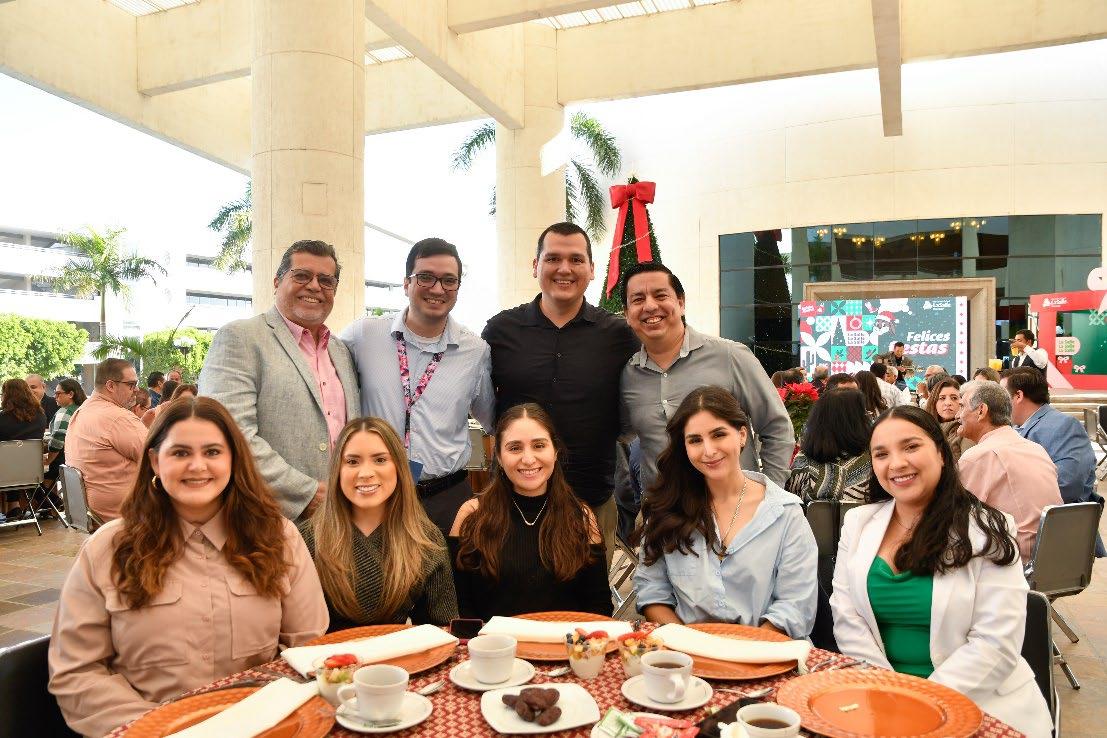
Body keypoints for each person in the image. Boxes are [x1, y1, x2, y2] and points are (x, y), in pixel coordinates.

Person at [49, 397, 328, 737]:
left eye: (212, 452)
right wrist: (163, 728)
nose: (197, 466)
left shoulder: (279, 538)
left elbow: (308, 650)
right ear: (155, 461)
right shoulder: (107, 549)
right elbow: (77, 673)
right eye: (180, 453)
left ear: (234, 459)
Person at [831, 405, 1051, 737]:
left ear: (941, 453)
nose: (896, 463)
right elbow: (846, 615)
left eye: (911, 446)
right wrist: (886, 691)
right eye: (881, 454)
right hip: (879, 698)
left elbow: (995, 643)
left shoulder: (988, 529)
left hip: (978, 704)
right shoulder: (858, 523)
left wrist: (920, 703)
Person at [482, 222, 639, 562]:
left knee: (588, 595)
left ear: (592, 269)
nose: (564, 269)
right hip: (511, 501)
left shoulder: (619, 336)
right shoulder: (500, 331)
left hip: (591, 500)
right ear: (535, 266)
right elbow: (483, 404)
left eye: (576, 259)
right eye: (553, 258)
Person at [633, 387, 817, 636]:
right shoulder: (667, 508)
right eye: (695, 440)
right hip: (686, 651)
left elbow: (795, 606)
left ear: (742, 435)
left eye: (718, 435)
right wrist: (689, 644)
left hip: (768, 651)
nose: (709, 451)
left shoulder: (786, 514)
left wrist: (741, 653)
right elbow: (652, 591)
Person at [199, 240, 361, 520]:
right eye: (302, 275)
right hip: (266, 522)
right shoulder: (241, 338)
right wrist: (307, 493)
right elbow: (229, 434)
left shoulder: (341, 351)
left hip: (342, 518)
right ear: (277, 282)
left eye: (326, 280)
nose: (314, 286)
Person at [341, 238, 494, 534]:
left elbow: (492, 421)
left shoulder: (475, 351)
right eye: (425, 277)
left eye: (449, 280)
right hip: (375, 495)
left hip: (447, 497)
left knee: (452, 567)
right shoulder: (362, 336)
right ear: (406, 283)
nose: (437, 289)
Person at [620, 262, 793, 494]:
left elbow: (776, 427)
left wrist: (769, 493)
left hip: (733, 507)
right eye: (638, 299)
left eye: (660, 295)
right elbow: (622, 436)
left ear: (680, 303)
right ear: (626, 314)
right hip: (662, 510)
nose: (650, 306)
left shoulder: (731, 356)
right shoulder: (629, 375)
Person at [449, 403, 610, 619]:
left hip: (564, 639)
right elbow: (458, 605)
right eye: (515, 448)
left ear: (555, 451)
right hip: (492, 640)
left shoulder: (581, 517)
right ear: (499, 456)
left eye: (539, 445)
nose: (528, 459)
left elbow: (599, 607)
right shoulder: (471, 516)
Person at [299, 417, 458, 630]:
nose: (366, 473)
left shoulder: (426, 538)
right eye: (352, 462)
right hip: (323, 651)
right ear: (337, 470)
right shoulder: (305, 539)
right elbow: (293, 633)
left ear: (399, 467)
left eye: (380, 460)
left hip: (403, 651)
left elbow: (442, 630)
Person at [956, 380, 1062, 562]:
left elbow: (958, 521)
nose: (958, 415)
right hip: (1052, 557)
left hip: (1012, 561)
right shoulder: (1036, 448)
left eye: (962, 406)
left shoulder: (979, 456)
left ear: (981, 411)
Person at [1004, 367, 1105, 557]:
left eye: (1002, 395)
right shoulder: (1015, 427)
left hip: (1055, 539)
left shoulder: (1063, 425)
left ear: (1018, 396)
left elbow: (1067, 485)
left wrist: (1009, 501)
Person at [63, 359, 148, 521]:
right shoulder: (118, 417)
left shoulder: (82, 411)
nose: (137, 389)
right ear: (111, 386)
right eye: (131, 384)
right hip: (125, 516)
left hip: (92, 514)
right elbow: (159, 459)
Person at [786, 389, 872, 503]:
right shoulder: (873, 461)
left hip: (809, 515)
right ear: (857, 420)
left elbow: (791, 501)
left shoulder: (803, 461)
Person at [0, 378, 50, 520]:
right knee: (15, 461)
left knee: (10, 461)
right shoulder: (40, 416)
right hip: (32, 470)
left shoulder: (2, 418)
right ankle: (16, 507)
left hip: (6, 472)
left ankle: (14, 507)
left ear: (6, 395)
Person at [43, 378, 87, 492]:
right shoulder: (84, 409)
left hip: (63, 462)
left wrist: (48, 460)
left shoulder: (65, 412)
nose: (55, 397)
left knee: (31, 478)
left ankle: (50, 501)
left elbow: (58, 439)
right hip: (80, 461)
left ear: (71, 394)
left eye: (58, 393)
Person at [924, 377, 973, 461]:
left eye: (954, 398)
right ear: (934, 402)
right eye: (942, 398)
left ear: (962, 402)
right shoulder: (923, 428)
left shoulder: (966, 432)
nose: (948, 403)